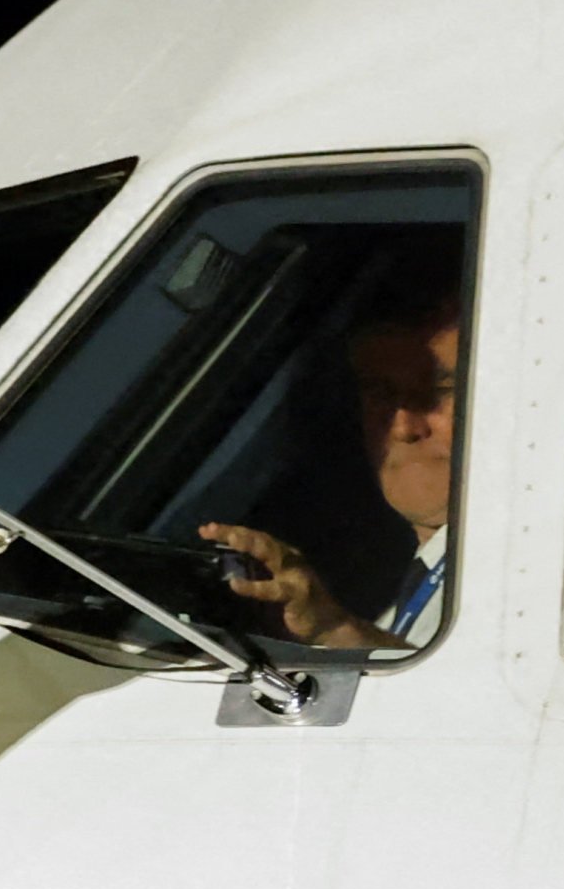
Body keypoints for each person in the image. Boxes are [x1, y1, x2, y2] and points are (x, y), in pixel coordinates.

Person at [196, 264, 462, 652]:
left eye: (438, 392)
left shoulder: (536, 571)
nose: (404, 427)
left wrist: (336, 630)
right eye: (381, 394)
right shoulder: (418, 575)